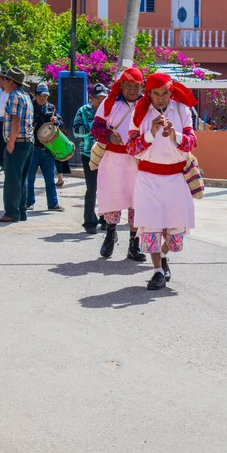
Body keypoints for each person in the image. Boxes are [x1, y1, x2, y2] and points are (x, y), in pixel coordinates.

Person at [126, 72, 198, 290]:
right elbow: (131, 148)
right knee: (151, 226)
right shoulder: (140, 113)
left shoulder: (181, 110)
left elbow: (192, 142)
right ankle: (157, 270)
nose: (160, 98)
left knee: (176, 234)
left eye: (164, 93)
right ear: (149, 93)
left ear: (171, 91)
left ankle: (164, 256)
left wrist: (175, 136)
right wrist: (150, 133)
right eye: (156, 94)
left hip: (175, 179)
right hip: (148, 179)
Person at [92, 68, 146, 261]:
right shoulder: (109, 103)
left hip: (138, 161)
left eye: (136, 86)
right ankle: (110, 234)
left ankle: (134, 244)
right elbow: (96, 128)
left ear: (142, 86)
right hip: (113, 161)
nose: (132, 89)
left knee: (137, 202)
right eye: (128, 85)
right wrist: (107, 136)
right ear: (121, 85)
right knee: (112, 199)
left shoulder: (147, 105)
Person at [0, 67, 34, 223]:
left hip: (17, 142)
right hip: (27, 142)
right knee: (21, 179)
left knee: (12, 178)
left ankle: (11, 212)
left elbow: (15, 120)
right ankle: (21, 211)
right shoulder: (26, 96)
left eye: (5, 80)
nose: (3, 82)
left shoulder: (14, 97)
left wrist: (10, 142)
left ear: (11, 81)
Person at [73, 83, 108, 234]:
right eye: (98, 98)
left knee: (107, 189)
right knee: (92, 187)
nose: (101, 101)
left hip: (107, 155)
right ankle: (89, 221)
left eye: (103, 98)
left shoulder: (110, 111)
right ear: (91, 97)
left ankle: (106, 219)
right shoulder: (83, 111)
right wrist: (93, 129)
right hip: (89, 155)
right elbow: (76, 131)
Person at [26, 83, 64, 212]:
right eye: (41, 95)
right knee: (30, 177)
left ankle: (53, 203)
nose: (43, 98)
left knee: (50, 178)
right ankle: (28, 202)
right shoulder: (29, 107)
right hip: (33, 148)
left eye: (45, 96)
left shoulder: (51, 108)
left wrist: (56, 121)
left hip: (48, 148)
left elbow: (60, 122)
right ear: (36, 95)